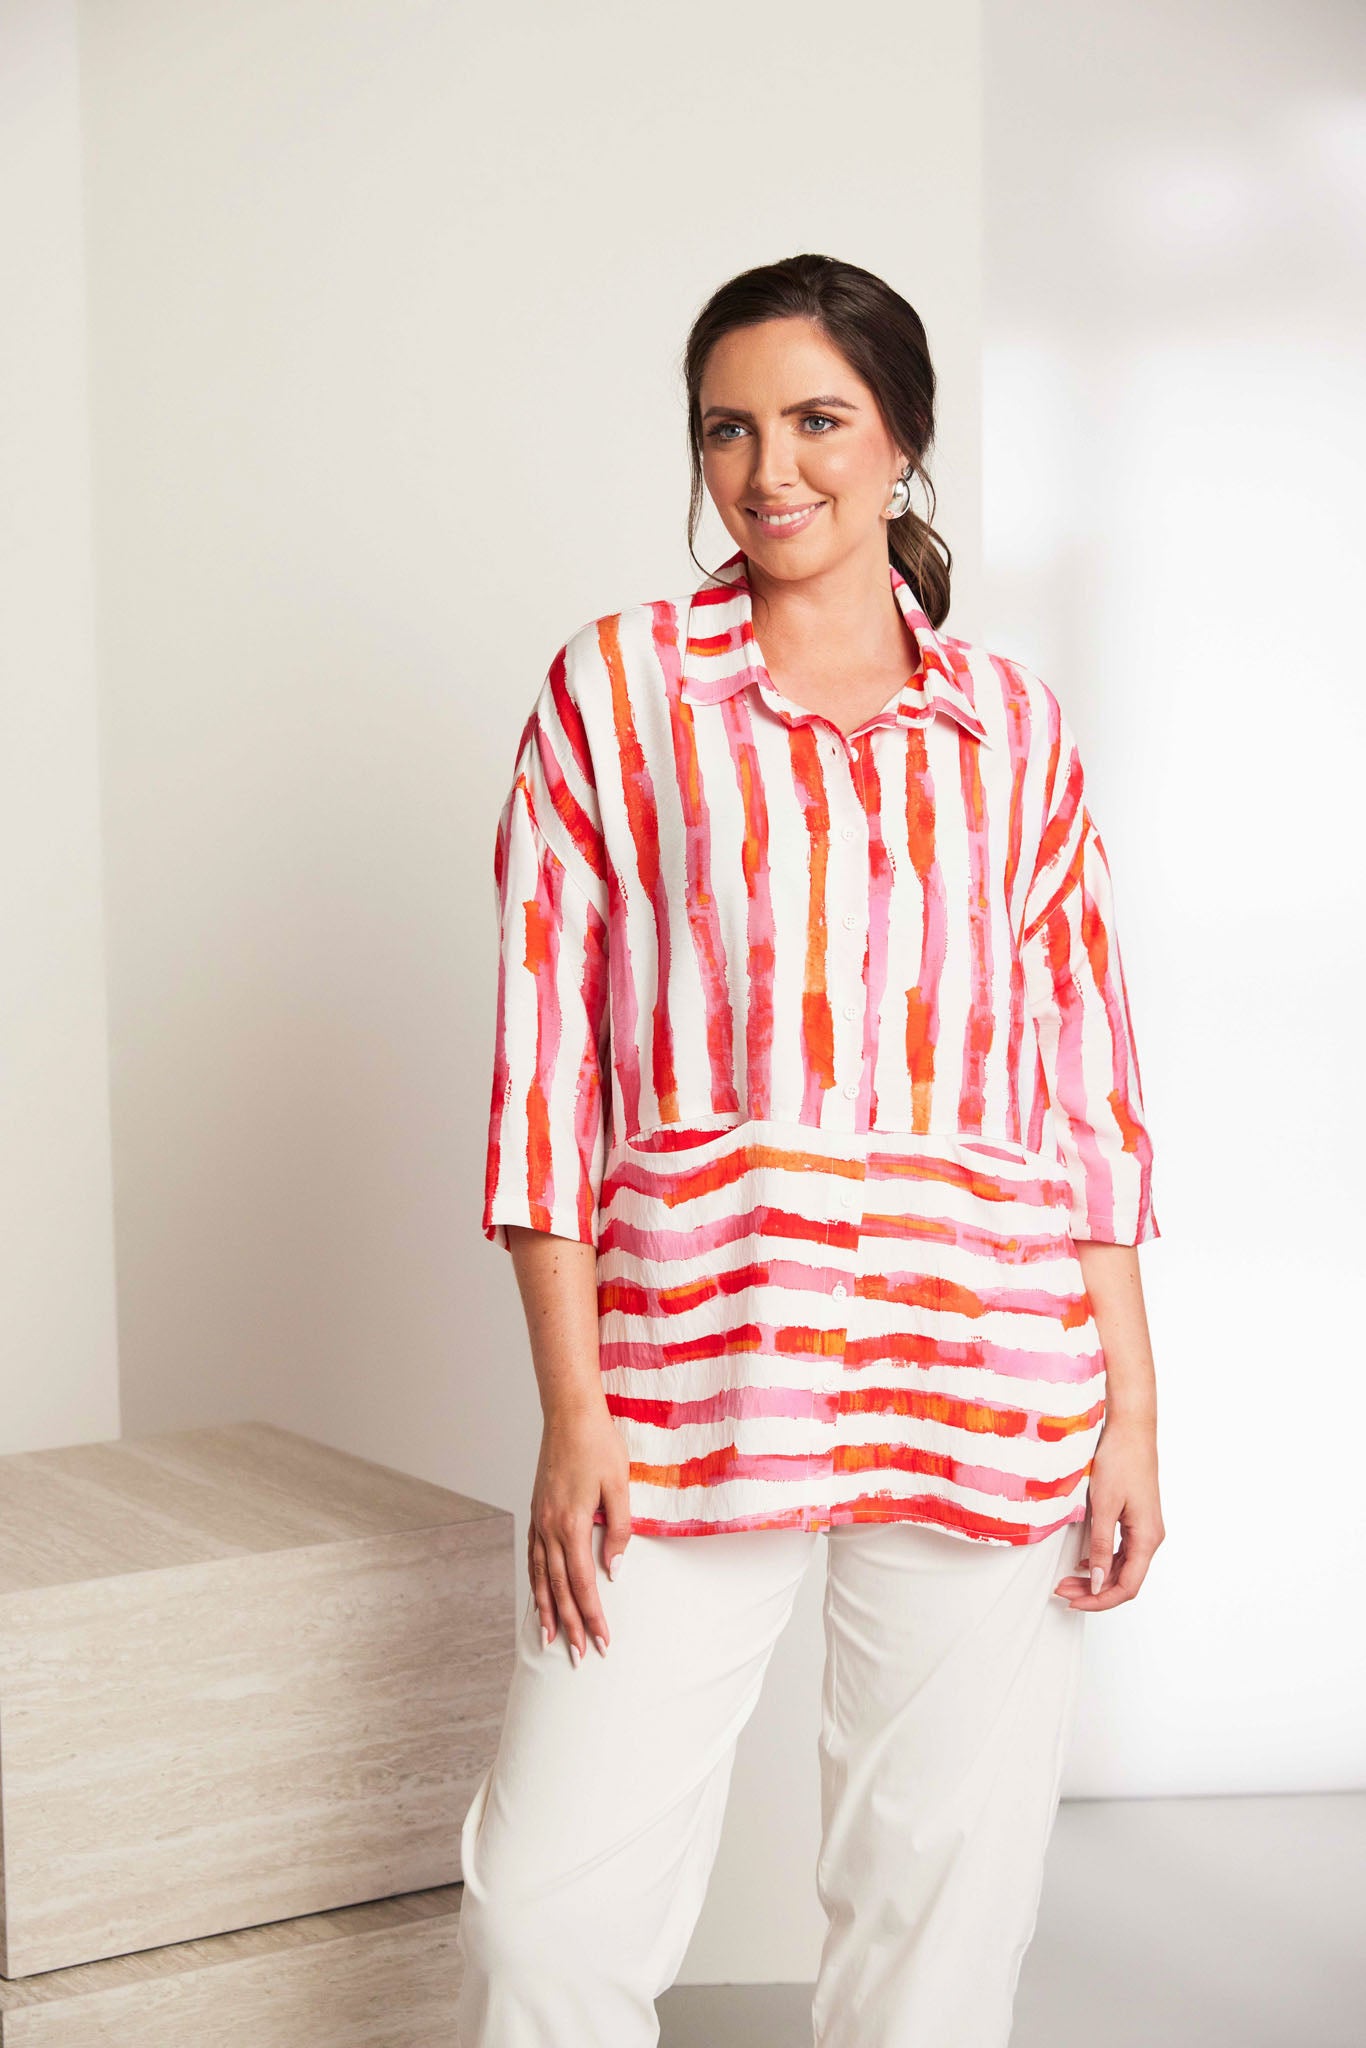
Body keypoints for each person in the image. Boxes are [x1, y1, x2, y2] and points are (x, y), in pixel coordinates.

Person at [456, 252, 1165, 2048]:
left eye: (816, 420)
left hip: (984, 1375)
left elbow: (1084, 1084)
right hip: (687, 1377)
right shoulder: (617, 692)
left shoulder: (1014, 730)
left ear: (903, 436)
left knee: (940, 1921)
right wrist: (572, 1413)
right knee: (550, 1912)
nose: (768, 470)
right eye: (727, 430)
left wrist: (1133, 1419)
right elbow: (543, 1077)